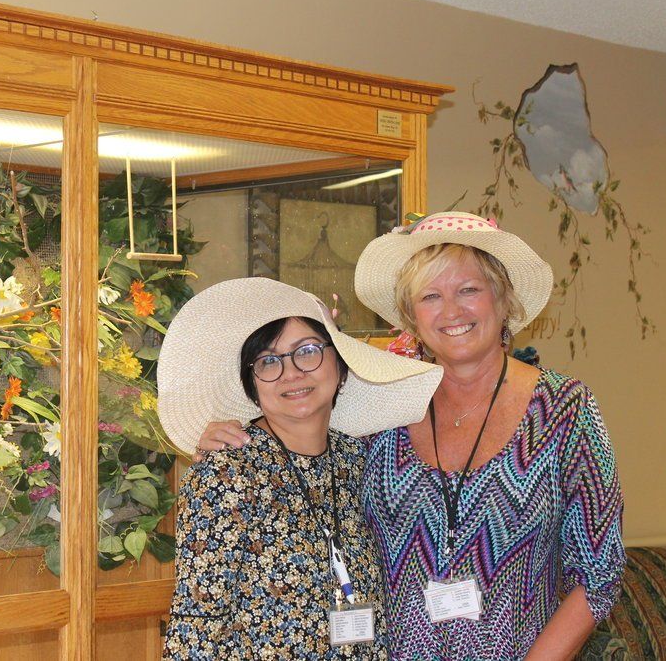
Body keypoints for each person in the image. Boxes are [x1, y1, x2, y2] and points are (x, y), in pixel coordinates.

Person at [196, 213, 625, 660]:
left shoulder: (563, 409)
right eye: (431, 296)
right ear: (411, 317)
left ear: (503, 300)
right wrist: (232, 437)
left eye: (469, 290)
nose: (452, 311)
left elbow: (599, 574)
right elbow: (301, 445)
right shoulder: (380, 409)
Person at [158, 277, 442, 660]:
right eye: (269, 361)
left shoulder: (358, 459)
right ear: (252, 385)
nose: (291, 373)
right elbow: (196, 622)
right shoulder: (228, 471)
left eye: (306, 351)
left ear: (340, 367)